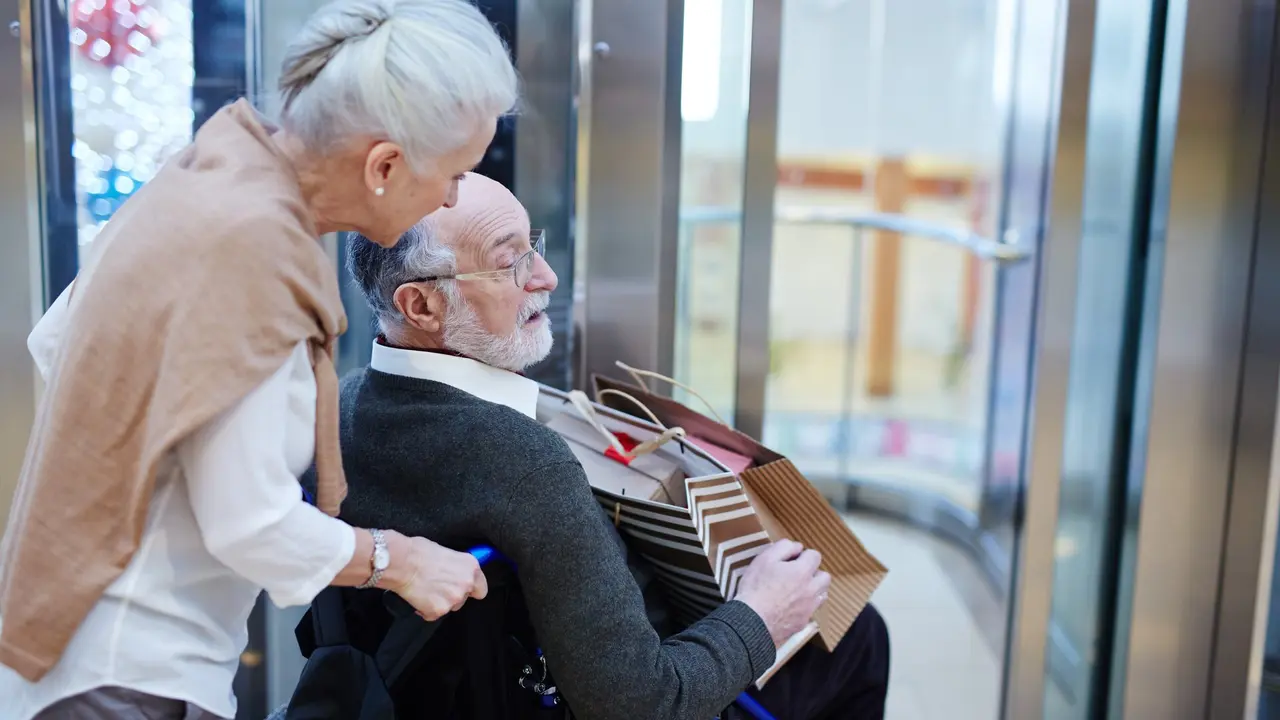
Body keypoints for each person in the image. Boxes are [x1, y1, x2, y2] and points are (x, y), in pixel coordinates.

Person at [0, 2, 518, 719]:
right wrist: (400, 562)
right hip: (127, 676)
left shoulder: (207, 175)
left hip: (77, 645)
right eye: (456, 173)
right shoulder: (251, 254)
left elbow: (56, 344)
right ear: (385, 165)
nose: (455, 195)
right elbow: (249, 523)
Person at [333, 172, 891, 719]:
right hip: (617, 687)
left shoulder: (342, 407)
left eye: (536, 248)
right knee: (860, 637)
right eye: (510, 262)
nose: (546, 278)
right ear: (422, 307)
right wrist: (763, 613)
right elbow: (643, 704)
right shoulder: (528, 463)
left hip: (419, 690)